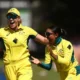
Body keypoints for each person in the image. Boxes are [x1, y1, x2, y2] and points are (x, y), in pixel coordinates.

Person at [0, 8, 49, 80]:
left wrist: (59, 42)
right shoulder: (2, 31)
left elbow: (44, 40)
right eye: (9, 17)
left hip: (24, 65)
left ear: (18, 18)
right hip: (9, 67)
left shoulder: (27, 30)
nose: (11, 19)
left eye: (13, 16)